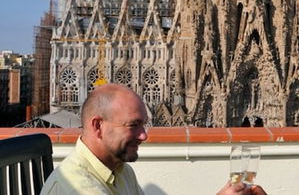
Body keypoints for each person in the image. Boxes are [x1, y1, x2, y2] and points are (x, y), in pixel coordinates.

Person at [41, 83, 255, 195]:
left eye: (143, 124)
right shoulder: (75, 189)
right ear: (98, 126)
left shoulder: (119, 170)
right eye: (133, 125)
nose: (144, 135)